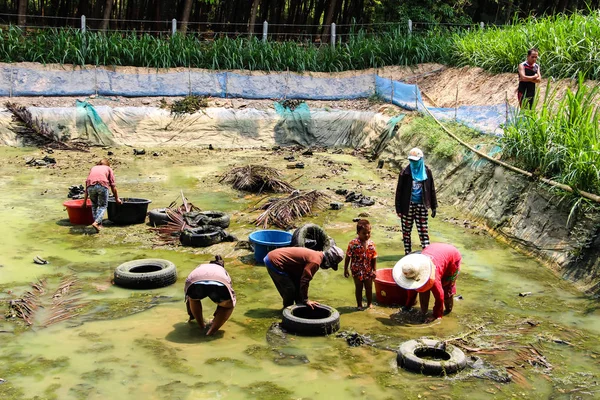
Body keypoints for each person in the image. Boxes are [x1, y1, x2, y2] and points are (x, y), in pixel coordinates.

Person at [393, 243, 461, 323]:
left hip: (452, 257)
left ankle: (447, 311)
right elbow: (411, 290)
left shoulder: (433, 277)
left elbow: (440, 296)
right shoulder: (411, 268)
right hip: (434, 250)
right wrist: (407, 307)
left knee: (447, 289)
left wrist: (436, 315)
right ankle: (423, 312)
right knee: (422, 288)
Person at [264, 245, 344, 309]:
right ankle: (286, 311)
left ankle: (296, 307)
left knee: (295, 286)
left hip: (277, 259)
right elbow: (305, 280)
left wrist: (301, 300)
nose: (328, 267)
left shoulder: (316, 255)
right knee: (290, 290)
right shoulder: (315, 262)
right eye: (330, 265)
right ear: (328, 260)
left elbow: (299, 279)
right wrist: (306, 300)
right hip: (275, 262)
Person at [394, 147, 437, 255]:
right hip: (407, 205)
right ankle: (407, 252)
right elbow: (399, 191)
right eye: (411, 160)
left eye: (415, 161)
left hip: (422, 205)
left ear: (421, 160)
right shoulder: (405, 173)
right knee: (406, 231)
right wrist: (398, 208)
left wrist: (433, 206)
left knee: (423, 230)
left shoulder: (427, 172)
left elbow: (431, 189)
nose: (413, 162)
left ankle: (427, 253)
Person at [184, 255, 236, 336]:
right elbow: (229, 292)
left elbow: (188, 294)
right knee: (228, 305)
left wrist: (191, 314)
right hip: (219, 282)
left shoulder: (201, 266)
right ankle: (211, 332)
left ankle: (201, 326)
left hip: (195, 281)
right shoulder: (222, 271)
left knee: (193, 299)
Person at [344, 219, 378, 310]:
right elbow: (348, 256)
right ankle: (359, 305)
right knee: (358, 288)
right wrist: (345, 269)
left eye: (369, 233)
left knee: (369, 287)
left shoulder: (371, 244)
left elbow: (374, 257)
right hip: (356, 269)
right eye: (364, 233)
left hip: (368, 269)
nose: (367, 235)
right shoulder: (353, 244)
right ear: (358, 233)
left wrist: (374, 270)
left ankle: (369, 303)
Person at [82, 159, 122, 232]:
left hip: (90, 187)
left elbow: (87, 186)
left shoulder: (93, 168)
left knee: (94, 206)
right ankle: (96, 223)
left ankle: (98, 224)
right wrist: (117, 198)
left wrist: (84, 202)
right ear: (107, 164)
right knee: (103, 206)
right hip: (102, 185)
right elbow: (113, 186)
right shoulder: (108, 168)